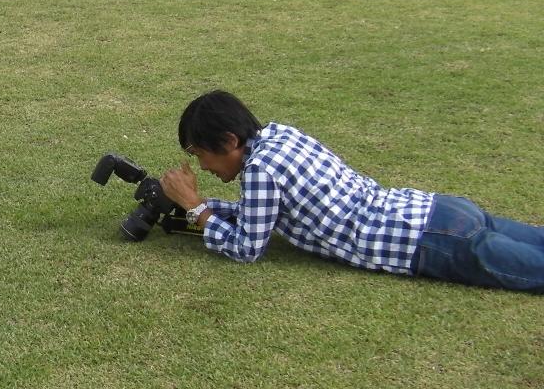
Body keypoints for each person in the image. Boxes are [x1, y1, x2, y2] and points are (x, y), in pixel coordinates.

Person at [157, 90, 544, 293]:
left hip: (429, 242)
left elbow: (246, 248)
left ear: (229, 140)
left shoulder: (259, 171)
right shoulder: (279, 136)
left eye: (200, 154)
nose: (203, 166)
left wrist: (195, 208)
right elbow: (261, 212)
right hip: (438, 210)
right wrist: (204, 205)